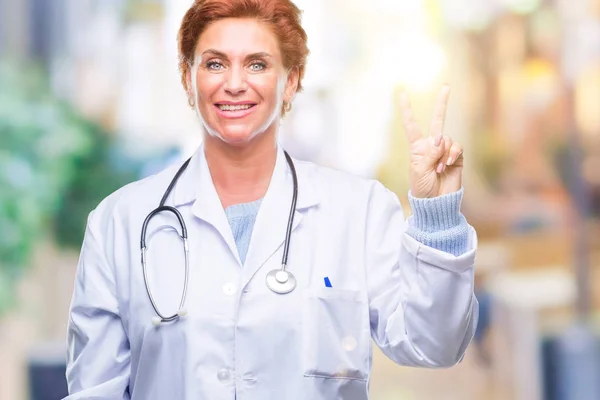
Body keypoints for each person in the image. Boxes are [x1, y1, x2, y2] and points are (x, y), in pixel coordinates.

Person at [64, 0, 479, 399]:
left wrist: (436, 217)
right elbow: (94, 391)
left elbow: (434, 345)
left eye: (257, 64)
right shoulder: (121, 222)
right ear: (187, 79)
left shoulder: (358, 211)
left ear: (291, 81)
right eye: (214, 63)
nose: (234, 83)